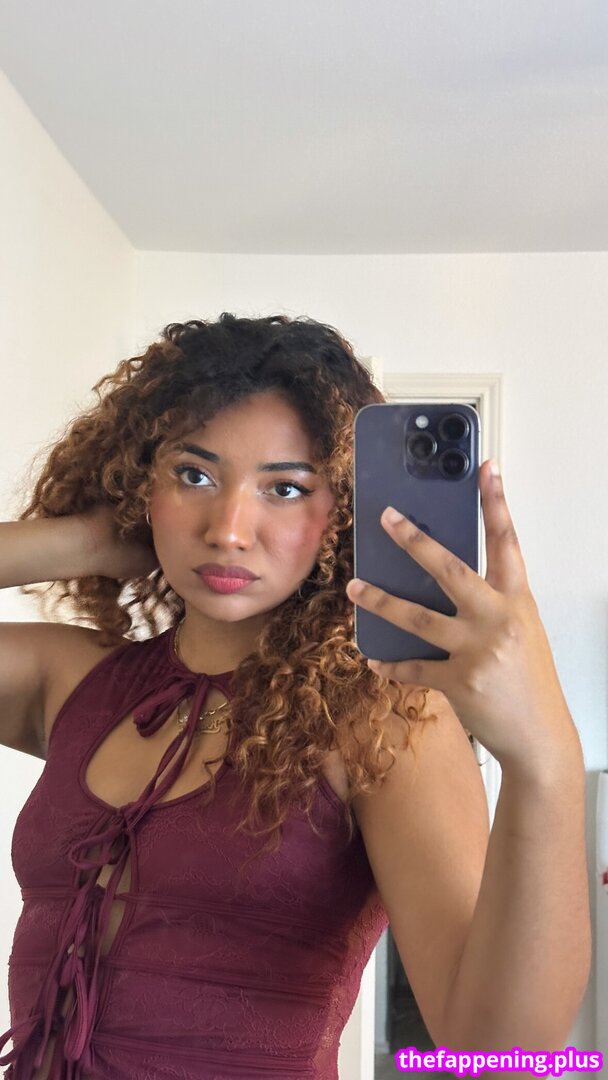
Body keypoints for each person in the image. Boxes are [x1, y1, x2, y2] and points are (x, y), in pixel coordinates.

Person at [0, 313, 590, 1080]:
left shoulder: (383, 719)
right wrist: (81, 541)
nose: (229, 530)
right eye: (194, 476)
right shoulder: (72, 679)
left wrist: (546, 759)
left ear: (342, 512)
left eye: (284, 488)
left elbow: (500, 1050)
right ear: (141, 484)